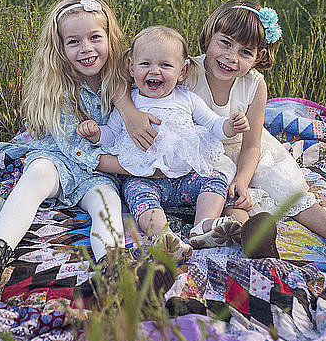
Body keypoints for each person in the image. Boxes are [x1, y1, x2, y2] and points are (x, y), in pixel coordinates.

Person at [0, 0, 170, 297]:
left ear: (110, 38)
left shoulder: (123, 77)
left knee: (107, 205)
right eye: (74, 42)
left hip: (98, 175)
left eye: (95, 37)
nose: (86, 49)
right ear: (59, 48)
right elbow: (72, 148)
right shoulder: (58, 84)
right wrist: (127, 166)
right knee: (38, 173)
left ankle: (116, 275)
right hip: (60, 159)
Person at [180, 0, 326, 263]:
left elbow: (252, 145)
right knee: (227, 186)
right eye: (225, 43)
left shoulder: (254, 84)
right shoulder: (187, 72)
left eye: (245, 52)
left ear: (259, 57)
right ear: (209, 36)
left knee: (282, 182)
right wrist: (236, 183)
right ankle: (252, 236)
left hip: (244, 148)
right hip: (205, 150)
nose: (232, 57)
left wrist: (243, 177)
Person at [77, 26, 250, 263]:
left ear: (183, 71)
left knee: (215, 178)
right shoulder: (129, 103)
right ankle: (164, 238)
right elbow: (111, 136)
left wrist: (230, 125)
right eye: (145, 64)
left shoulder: (187, 98)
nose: (154, 71)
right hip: (145, 178)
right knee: (136, 194)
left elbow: (213, 124)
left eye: (165, 65)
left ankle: (203, 226)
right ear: (131, 67)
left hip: (185, 178)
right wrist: (95, 133)